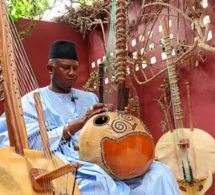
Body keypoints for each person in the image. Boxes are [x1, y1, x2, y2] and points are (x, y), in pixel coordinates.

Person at [0, 40, 180, 195]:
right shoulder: (30, 101)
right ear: (50, 68)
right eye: (65, 68)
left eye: (75, 68)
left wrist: (119, 117)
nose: (71, 73)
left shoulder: (88, 98)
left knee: (160, 172)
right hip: (64, 161)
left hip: (104, 155)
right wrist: (77, 124)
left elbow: (104, 130)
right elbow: (23, 143)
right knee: (98, 182)